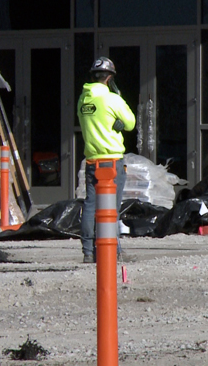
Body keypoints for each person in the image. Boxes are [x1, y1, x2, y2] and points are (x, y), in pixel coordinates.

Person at [77, 57, 135, 263]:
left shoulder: (83, 100)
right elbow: (130, 123)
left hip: (92, 160)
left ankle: (88, 252)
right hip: (112, 161)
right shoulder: (112, 99)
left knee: (91, 205)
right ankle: (110, 250)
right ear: (109, 78)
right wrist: (118, 117)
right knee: (111, 208)